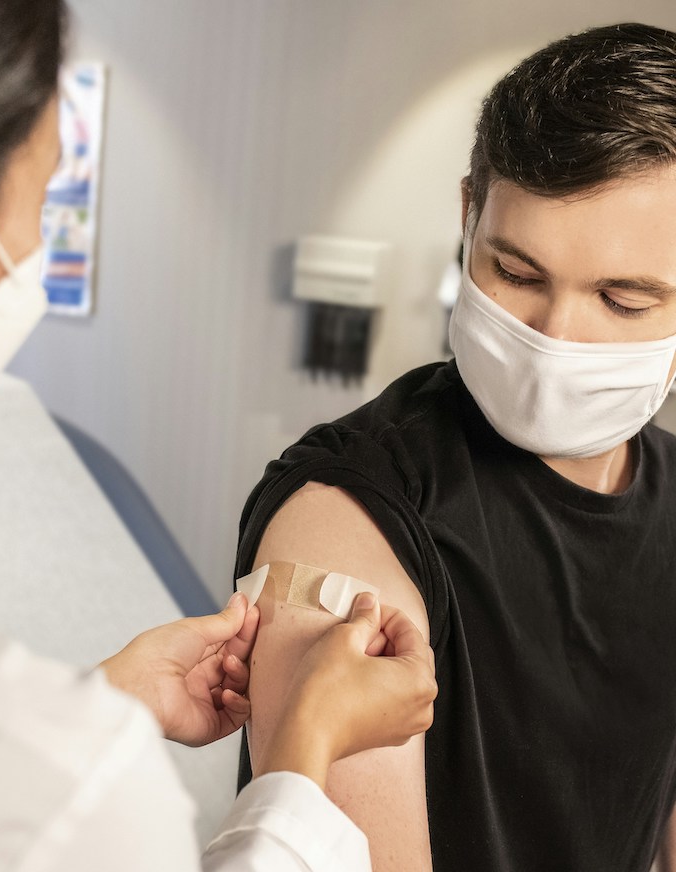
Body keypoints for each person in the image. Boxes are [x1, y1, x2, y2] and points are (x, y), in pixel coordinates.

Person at [0, 1, 438, 870]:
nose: (34, 244)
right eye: (50, 193)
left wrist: (102, 700)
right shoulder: (72, 778)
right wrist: (301, 760)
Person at [237, 21, 676, 872]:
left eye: (622, 300)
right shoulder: (349, 512)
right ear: (469, 215)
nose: (555, 337)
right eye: (516, 272)